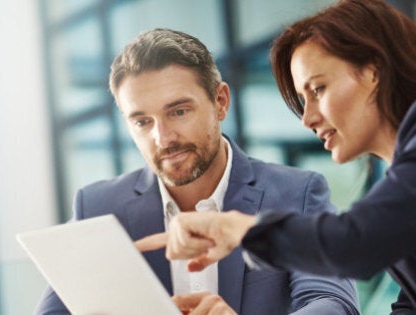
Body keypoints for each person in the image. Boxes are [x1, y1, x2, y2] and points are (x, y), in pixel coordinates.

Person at [142, 0, 416, 314]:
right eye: (302, 100)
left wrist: (236, 227)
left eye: (318, 90)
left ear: (373, 71)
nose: (309, 118)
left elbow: (354, 242)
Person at [34, 28, 360, 315]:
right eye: (142, 122)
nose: (163, 138)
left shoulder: (294, 193)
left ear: (220, 102)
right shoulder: (98, 207)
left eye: (178, 111)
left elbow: (332, 302)